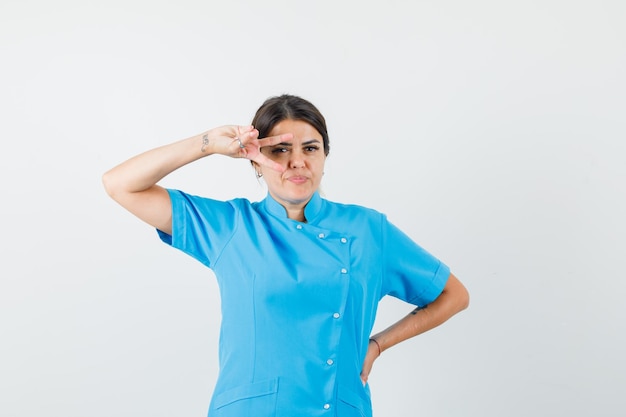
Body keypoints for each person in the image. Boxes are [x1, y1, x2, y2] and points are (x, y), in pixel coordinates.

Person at [102, 94, 469, 417]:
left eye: (310, 148)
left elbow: (453, 295)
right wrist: (208, 143)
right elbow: (120, 184)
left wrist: (377, 345)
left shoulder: (367, 230)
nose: (297, 162)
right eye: (280, 149)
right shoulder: (232, 225)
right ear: (255, 160)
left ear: (325, 156)